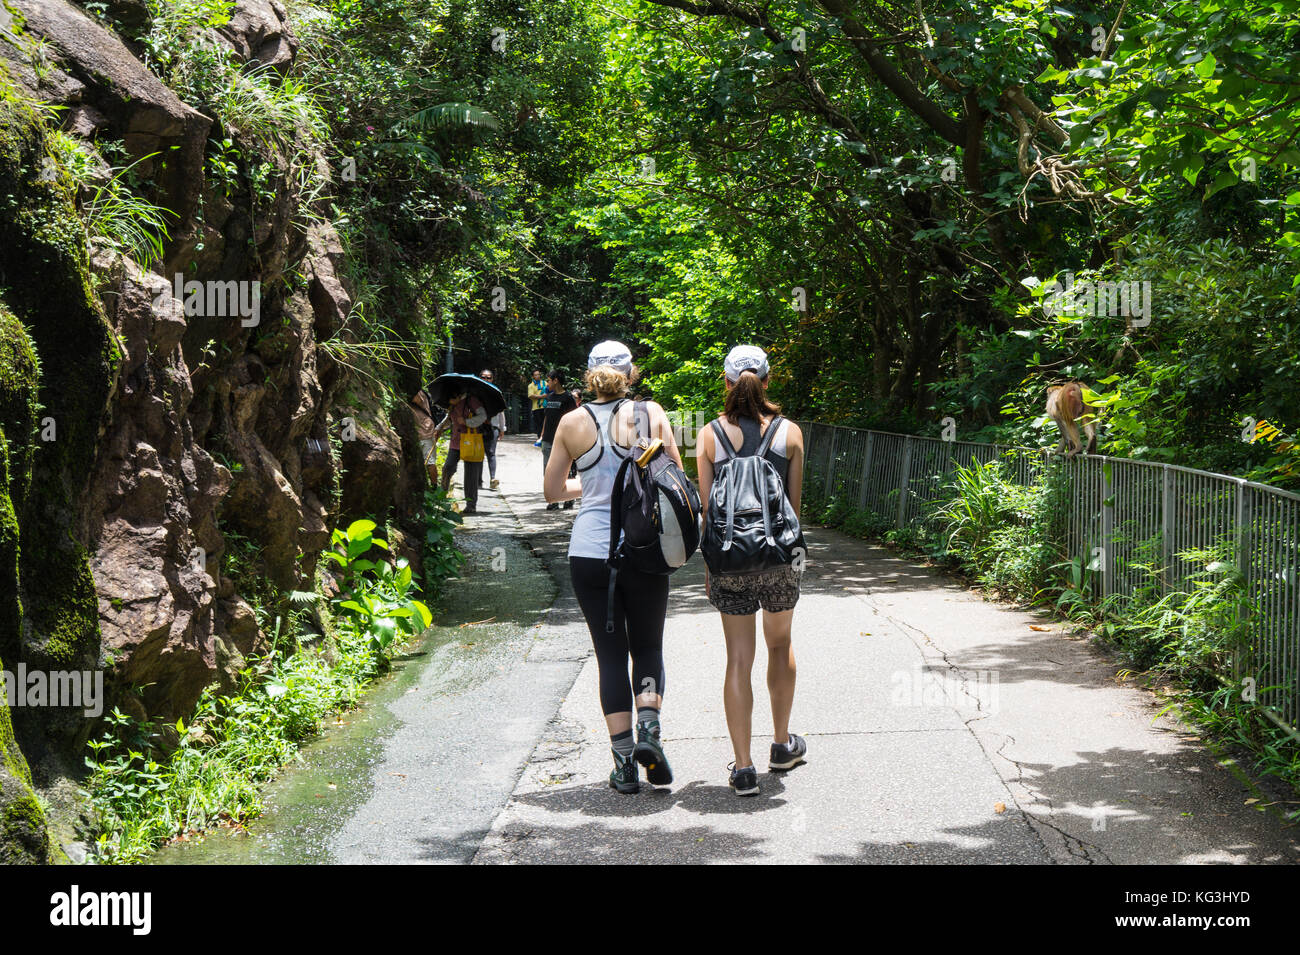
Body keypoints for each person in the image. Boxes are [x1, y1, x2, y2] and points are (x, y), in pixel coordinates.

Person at [544, 341, 684, 794]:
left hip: (589, 554)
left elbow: (552, 492)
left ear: (588, 376)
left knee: (609, 656)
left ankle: (624, 766)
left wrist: (590, 487)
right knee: (647, 647)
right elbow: (675, 481)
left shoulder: (570, 422)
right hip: (644, 550)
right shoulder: (651, 414)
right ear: (632, 374)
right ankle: (650, 733)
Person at [696, 345, 807, 797]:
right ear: (767, 381)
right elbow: (795, 510)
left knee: (738, 659)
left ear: (726, 382)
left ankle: (743, 770)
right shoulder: (791, 434)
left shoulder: (708, 436)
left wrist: (711, 568)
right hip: (779, 559)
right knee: (779, 646)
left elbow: (708, 511)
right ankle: (781, 746)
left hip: (730, 560)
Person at [432, 390, 488, 515]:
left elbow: (482, 416)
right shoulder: (452, 405)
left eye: (451, 400)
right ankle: (441, 499)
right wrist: (439, 428)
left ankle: (471, 505)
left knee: (471, 474)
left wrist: (467, 422)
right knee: (448, 467)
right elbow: (449, 419)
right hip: (456, 441)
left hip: (470, 440)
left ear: (457, 395)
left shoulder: (471, 400)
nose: (449, 403)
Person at [539, 370, 577, 511]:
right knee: (548, 470)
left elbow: (573, 420)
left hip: (563, 441)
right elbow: (546, 417)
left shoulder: (568, 398)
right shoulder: (549, 397)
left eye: (548, 380)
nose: (547, 383)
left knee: (565, 470)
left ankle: (568, 498)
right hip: (548, 439)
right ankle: (553, 500)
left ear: (556, 381)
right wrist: (542, 435)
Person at [479, 368, 505, 491]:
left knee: (491, 453)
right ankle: (478, 480)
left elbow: (501, 411)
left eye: (488, 377)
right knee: (478, 454)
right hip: (478, 426)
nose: (485, 379)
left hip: (493, 426)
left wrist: (502, 428)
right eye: (483, 377)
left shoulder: (496, 392)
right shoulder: (475, 392)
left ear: (492, 379)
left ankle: (493, 479)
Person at [410, 388, 440, 485]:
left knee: (430, 461)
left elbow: (415, 399)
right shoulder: (417, 390)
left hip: (425, 431)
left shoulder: (418, 392)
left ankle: (434, 486)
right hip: (420, 431)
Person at [527, 369, 548, 439]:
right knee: (539, 424)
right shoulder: (531, 386)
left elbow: (550, 390)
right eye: (536, 375)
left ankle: (546, 438)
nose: (538, 376)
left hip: (545, 406)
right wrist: (541, 396)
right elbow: (530, 395)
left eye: (538, 374)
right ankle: (540, 438)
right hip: (536, 408)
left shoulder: (545, 383)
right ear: (533, 376)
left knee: (546, 424)